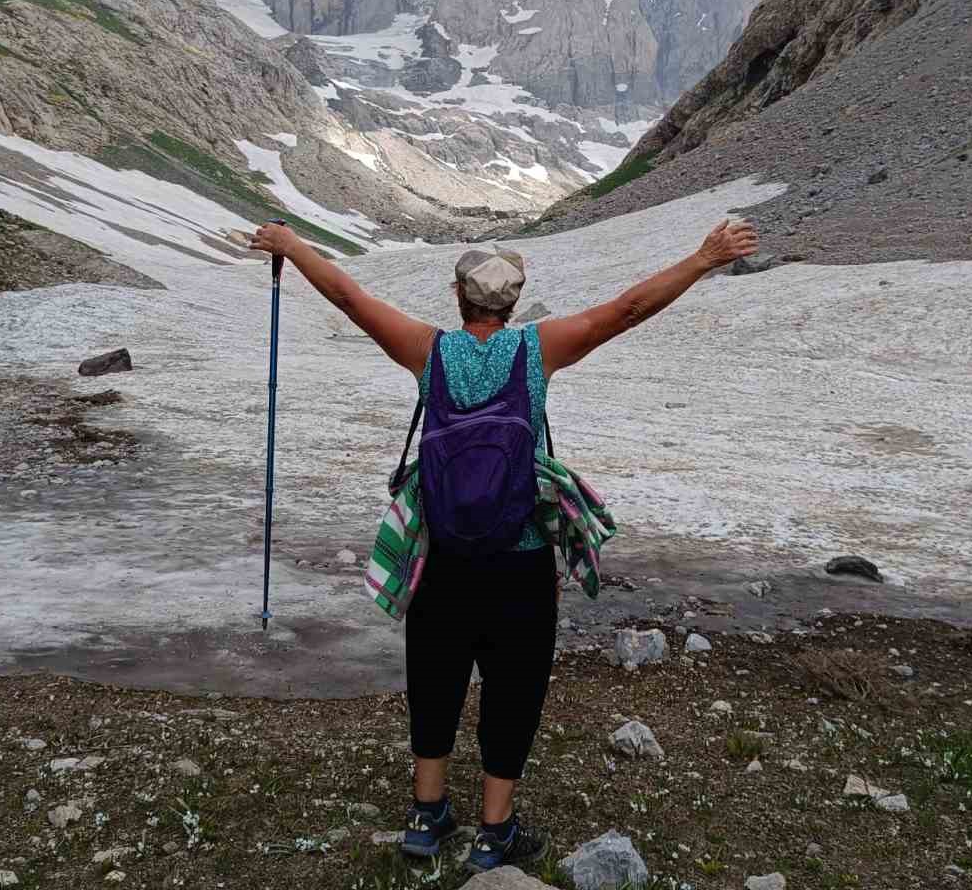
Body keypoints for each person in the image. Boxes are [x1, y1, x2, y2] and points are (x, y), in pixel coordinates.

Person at [249, 217, 759, 872]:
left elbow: (350, 297)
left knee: (435, 675)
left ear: (459, 297)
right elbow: (628, 310)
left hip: (444, 555)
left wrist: (293, 246)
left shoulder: (428, 352)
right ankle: (495, 830)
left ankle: (426, 817)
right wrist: (704, 256)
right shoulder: (537, 351)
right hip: (519, 556)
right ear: (513, 300)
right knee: (512, 687)